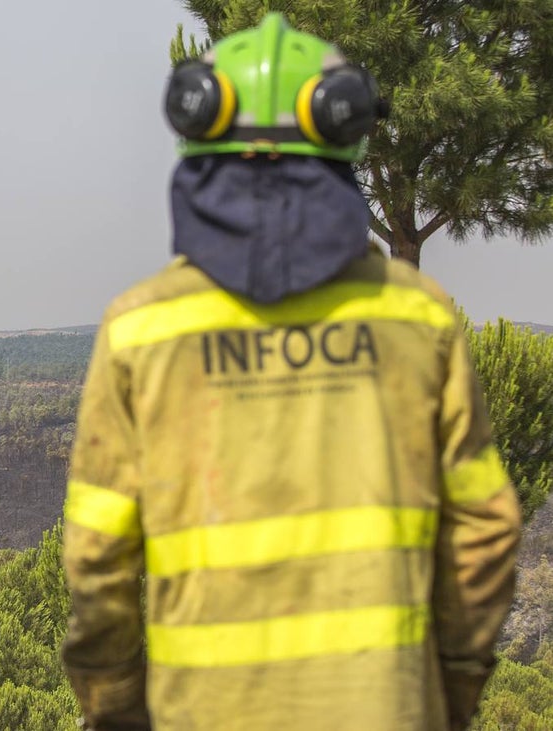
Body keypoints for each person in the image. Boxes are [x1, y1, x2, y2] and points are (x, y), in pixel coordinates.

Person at [61, 12, 521, 731]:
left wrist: (116, 703)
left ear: (198, 132)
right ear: (346, 133)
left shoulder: (140, 328)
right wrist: (452, 692)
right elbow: (485, 528)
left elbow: (97, 548)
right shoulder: (417, 319)